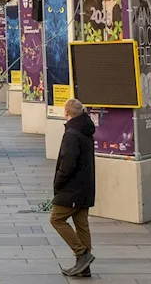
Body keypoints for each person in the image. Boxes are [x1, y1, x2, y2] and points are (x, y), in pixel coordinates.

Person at [51, 99, 97, 278]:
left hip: (72, 188)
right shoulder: (86, 129)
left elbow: (67, 163)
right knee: (81, 223)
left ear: (66, 112)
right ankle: (84, 268)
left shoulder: (71, 133)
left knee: (56, 219)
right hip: (85, 186)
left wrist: (58, 182)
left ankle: (82, 254)